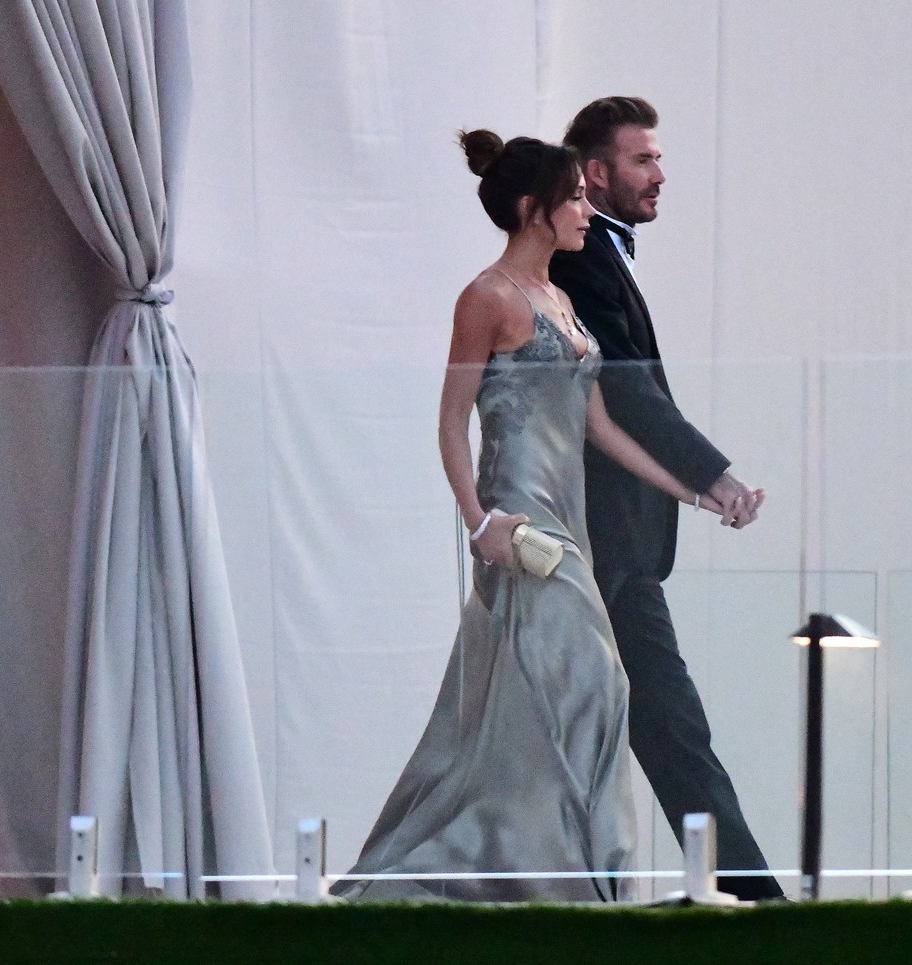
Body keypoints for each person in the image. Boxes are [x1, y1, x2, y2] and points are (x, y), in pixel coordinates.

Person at [331, 130, 729, 902]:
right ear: (530, 209)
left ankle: (554, 873)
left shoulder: (562, 299)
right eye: (573, 198)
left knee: (555, 699)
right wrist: (480, 522)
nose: (585, 210)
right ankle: (583, 881)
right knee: (599, 682)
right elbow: (451, 419)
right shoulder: (487, 297)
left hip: (567, 526)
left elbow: (599, 425)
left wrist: (693, 489)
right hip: (521, 527)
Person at [550, 96, 785, 902]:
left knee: (663, 727)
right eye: (643, 159)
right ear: (594, 172)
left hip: (614, 542)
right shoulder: (581, 259)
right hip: (595, 541)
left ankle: (746, 896)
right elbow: (624, 393)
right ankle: (755, 902)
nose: (659, 173)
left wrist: (695, 486)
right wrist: (711, 478)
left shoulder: (597, 254)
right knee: (666, 726)